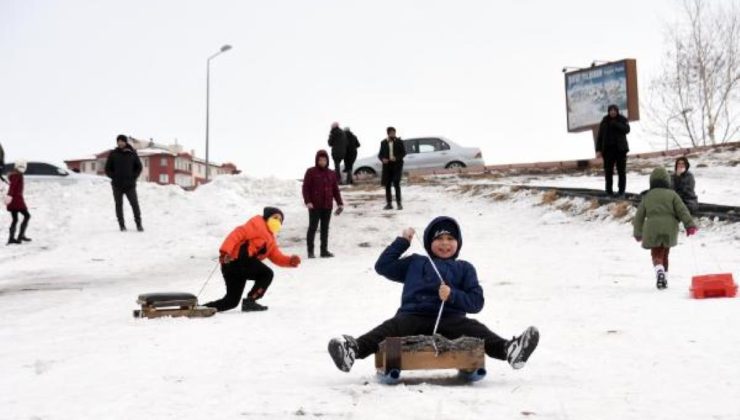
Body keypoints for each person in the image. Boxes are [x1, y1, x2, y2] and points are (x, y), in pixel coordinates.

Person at [327, 216, 540, 373]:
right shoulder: (416, 262)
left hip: (451, 319)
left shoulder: (465, 268)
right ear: (429, 242)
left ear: (458, 243)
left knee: (475, 329)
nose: (445, 243)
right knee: (389, 329)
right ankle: (353, 349)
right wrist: (402, 242)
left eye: (450, 238)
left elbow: (476, 303)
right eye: (439, 239)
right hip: (412, 316)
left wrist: (454, 295)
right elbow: (383, 266)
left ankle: (509, 349)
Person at [204, 207, 301, 312]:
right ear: (267, 217)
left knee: (231, 301)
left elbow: (277, 257)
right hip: (237, 260)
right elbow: (235, 235)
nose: (277, 221)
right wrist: (225, 252)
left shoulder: (270, 240)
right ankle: (250, 301)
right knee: (267, 274)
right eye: (275, 217)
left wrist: (290, 261)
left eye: (280, 220)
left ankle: (201, 308)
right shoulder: (256, 225)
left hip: (235, 267)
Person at [633, 167, 697, 290]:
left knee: (656, 252)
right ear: (667, 181)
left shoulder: (647, 196)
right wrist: (689, 225)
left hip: (652, 227)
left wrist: (638, 232)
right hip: (670, 227)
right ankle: (664, 279)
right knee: (665, 253)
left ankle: (660, 272)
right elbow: (682, 211)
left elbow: (639, 216)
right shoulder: (673, 195)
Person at [302, 150, 344, 258]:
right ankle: (310, 251)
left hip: (327, 206)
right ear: (317, 160)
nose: (322, 162)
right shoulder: (310, 172)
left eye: (324, 160)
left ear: (327, 161)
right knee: (313, 228)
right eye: (320, 160)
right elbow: (305, 188)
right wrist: (308, 201)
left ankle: (323, 251)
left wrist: (340, 203)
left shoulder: (331, 173)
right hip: (314, 206)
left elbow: (335, 190)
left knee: (325, 228)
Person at [104, 134, 143, 232]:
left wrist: (133, 177)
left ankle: (139, 224)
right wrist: (113, 176)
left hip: (130, 185)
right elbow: (107, 169)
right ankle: (121, 225)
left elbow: (139, 167)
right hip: (117, 185)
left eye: (122, 141)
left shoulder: (132, 153)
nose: (120, 143)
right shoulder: (113, 153)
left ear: (125, 142)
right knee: (119, 205)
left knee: (134, 204)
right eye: (118, 141)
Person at [596, 104, 631, 196]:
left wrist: (616, 124)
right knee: (608, 172)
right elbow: (599, 137)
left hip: (620, 150)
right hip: (608, 151)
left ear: (617, 111)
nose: (612, 112)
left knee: (621, 172)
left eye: (614, 110)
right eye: (611, 110)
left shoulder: (622, 119)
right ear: (608, 111)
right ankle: (609, 191)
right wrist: (598, 150)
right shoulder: (604, 121)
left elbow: (627, 130)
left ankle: (621, 191)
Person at [378, 126, 406, 210]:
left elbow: (404, 153)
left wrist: (396, 158)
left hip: (397, 166)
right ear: (388, 133)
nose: (393, 134)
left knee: (396, 183)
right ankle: (389, 203)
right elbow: (380, 154)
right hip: (387, 166)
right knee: (387, 185)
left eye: (394, 132)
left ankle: (399, 203)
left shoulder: (399, 141)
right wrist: (383, 159)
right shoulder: (383, 142)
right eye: (391, 133)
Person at [5, 160, 31, 245]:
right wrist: (10, 195)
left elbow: (12, 186)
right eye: (21, 167)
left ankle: (11, 238)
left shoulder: (14, 174)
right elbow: (12, 187)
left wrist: (9, 196)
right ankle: (20, 236)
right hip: (17, 200)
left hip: (13, 200)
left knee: (15, 219)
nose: (22, 168)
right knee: (27, 216)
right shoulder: (17, 175)